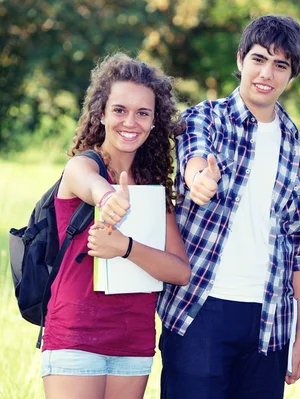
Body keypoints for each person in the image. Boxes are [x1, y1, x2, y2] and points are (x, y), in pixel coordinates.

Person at [156, 14, 300, 399]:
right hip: (200, 309)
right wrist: (199, 180)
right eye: (259, 59)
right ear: (240, 59)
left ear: (291, 74)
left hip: (270, 322)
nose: (267, 73)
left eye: (280, 65)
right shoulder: (204, 118)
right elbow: (194, 158)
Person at [41, 53, 191, 399]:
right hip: (75, 339)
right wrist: (108, 199)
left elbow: (180, 271)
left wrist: (125, 247)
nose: (131, 122)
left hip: (133, 344)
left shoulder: (153, 187)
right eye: (120, 110)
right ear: (102, 114)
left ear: (155, 122)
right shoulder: (84, 165)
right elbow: (89, 183)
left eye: (143, 113)